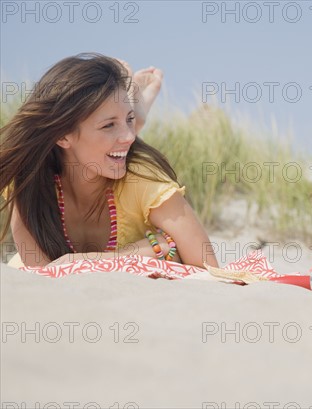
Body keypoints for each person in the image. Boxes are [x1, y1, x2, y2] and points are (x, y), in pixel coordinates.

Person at [0, 53, 217, 268]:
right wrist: (155, 249)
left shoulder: (143, 179)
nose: (130, 136)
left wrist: (79, 261)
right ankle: (135, 113)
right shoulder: (29, 181)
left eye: (128, 120)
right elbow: (41, 272)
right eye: (108, 125)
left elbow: (208, 267)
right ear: (63, 136)